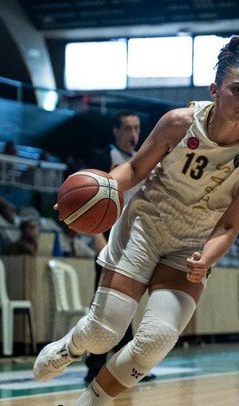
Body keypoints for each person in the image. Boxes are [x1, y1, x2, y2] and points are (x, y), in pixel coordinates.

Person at [33, 35, 239, 406]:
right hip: (145, 226)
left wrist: (209, 257)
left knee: (155, 341)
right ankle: (71, 345)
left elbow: (232, 222)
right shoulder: (179, 123)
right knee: (104, 333)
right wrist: (98, 192)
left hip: (192, 244)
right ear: (214, 90)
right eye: (238, 90)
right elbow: (134, 168)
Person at [83, 110, 151, 384]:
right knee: (103, 304)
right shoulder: (104, 158)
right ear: (116, 131)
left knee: (127, 303)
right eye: (127, 128)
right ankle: (94, 365)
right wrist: (97, 236)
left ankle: (125, 366)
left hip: (134, 239)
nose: (133, 133)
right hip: (108, 237)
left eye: (136, 128)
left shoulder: (143, 159)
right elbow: (90, 201)